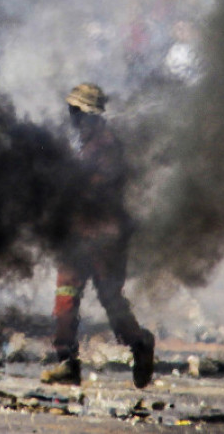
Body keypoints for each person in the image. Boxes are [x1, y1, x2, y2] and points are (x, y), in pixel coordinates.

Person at [42, 83, 154, 388]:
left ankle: (140, 345)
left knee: (110, 299)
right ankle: (66, 363)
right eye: (72, 111)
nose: (73, 118)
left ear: (90, 115)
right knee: (65, 298)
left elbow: (97, 190)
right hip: (79, 236)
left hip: (105, 238)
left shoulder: (106, 147)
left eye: (77, 112)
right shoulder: (86, 145)